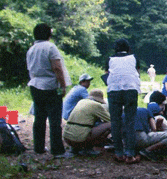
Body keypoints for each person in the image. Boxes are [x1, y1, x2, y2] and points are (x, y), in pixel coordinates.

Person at [26, 23, 72, 158]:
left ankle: (39, 147)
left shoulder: (31, 49)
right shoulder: (50, 47)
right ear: (49, 34)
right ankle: (57, 150)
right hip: (50, 85)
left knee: (39, 117)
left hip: (35, 84)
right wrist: (63, 86)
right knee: (55, 119)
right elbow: (57, 68)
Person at [106, 38, 140, 163]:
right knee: (130, 121)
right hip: (130, 89)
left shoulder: (110, 59)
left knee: (115, 121)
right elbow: (137, 73)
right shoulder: (133, 58)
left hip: (114, 90)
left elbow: (107, 74)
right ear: (128, 47)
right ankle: (130, 154)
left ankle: (118, 153)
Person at [63, 89, 111, 156]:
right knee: (110, 125)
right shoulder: (96, 105)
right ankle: (88, 148)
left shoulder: (81, 101)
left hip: (67, 138)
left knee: (84, 124)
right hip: (79, 139)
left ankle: (74, 149)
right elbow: (111, 119)